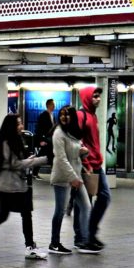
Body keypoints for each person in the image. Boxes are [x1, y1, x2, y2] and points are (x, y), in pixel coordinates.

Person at [0, 114, 48, 259]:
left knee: (22, 214)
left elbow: (19, 161)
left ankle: (29, 246)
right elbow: (16, 164)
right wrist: (39, 160)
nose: (21, 126)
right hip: (8, 186)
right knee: (8, 215)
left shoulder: (17, 140)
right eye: (18, 124)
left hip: (17, 185)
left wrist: (28, 160)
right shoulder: (7, 143)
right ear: (11, 126)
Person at [48, 105, 90, 254]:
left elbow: (75, 152)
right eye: (61, 115)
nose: (63, 117)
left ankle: (84, 241)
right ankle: (54, 243)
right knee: (60, 211)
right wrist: (72, 177)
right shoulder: (58, 133)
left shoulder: (74, 132)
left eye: (67, 115)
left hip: (76, 177)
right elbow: (61, 158)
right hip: (62, 178)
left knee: (86, 206)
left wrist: (84, 152)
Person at [75, 85, 110, 254]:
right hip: (86, 166)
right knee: (84, 203)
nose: (98, 99)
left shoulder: (93, 116)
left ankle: (90, 233)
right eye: (95, 96)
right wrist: (84, 162)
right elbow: (76, 140)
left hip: (97, 164)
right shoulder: (81, 115)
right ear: (87, 97)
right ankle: (81, 239)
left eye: (99, 96)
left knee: (104, 197)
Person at [33, 99, 55, 180]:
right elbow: (38, 129)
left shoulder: (52, 115)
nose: (54, 106)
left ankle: (54, 174)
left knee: (52, 156)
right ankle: (34, 173)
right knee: (41, 156)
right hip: (45, 140)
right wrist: (41, 140)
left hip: (51, 140)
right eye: (52, 104)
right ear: (48, 105)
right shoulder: (43, 115)